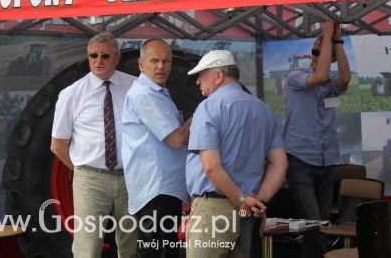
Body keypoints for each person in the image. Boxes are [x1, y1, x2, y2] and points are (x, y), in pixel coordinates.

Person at [185, 50, 288, 258]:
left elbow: (211, 167)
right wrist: (258, 201)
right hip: (251, 212)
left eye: (201, 75)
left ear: (218, 75)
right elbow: (280, 164)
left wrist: (242, 200)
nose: (198, 82)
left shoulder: (208, 108)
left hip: (214, 210)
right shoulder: (264, 110)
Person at [51, 32, 138, 258]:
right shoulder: (71, 94)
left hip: (129, 178)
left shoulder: (135, 87)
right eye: (93, 55)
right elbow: (58, 145)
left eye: (105, 55)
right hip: (90, 179)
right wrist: (82, 171)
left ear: (117, 57)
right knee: (87, 248)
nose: (98, 61)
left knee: (131, 246)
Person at [121, 39, 191, 258]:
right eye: (154, 61)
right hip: (156, 191)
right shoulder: (145, 94)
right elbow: (177, 140)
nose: (161, 66)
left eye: (165, 61)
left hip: (161, 189)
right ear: (141, 65)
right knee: (158, 251)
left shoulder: (156, 92)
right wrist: (199, 118)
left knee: (162, 250)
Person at [284, 20, 351, 222]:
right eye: (314, 52)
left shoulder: (330, 83)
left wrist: (337, 41)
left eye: (321, 53)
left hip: (326, 160)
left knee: (322, 222)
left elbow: (345, 78)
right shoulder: (295, 76)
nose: (315, 57)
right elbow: (319, 76)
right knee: (312, 222)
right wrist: (328, 35)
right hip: (301, 160)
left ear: (331, 59)